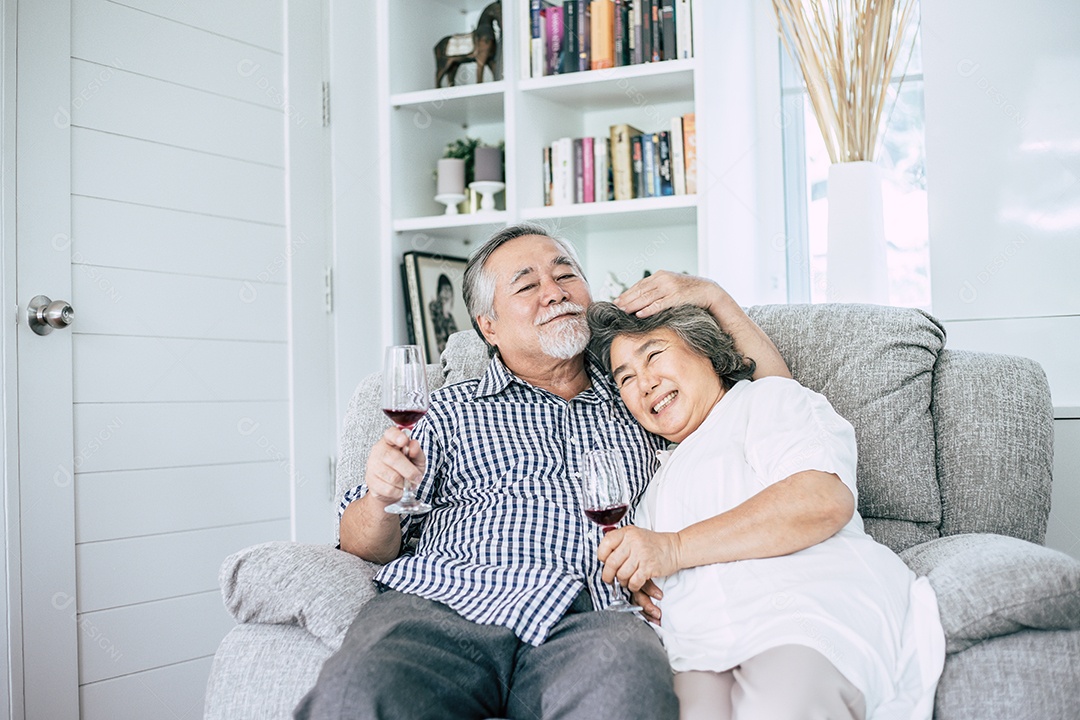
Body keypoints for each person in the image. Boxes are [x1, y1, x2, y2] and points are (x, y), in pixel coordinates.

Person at [295, 223, 792, 720]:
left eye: (566, 275)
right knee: (356, 697)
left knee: (625, 697)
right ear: (488, 325)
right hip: (442, 603)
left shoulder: (639, 395)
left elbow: (774, 406)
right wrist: (381, 498)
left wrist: (714, 296)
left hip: (589, 616)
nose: (554, 293)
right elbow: (362, 545)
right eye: (528, 285)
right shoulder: (445, 411)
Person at [585, 301, 946, 720]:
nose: (644, 383)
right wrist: (637, 577)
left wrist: (675, 548)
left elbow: (822, 499)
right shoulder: (655, 480)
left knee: (776, 708)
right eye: (625, 378)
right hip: (699, 648)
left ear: (704, 349)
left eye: (654, 355)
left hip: (804, 616)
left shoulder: (767, 403)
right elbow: (651, 569)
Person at [428, 272, 459, 355]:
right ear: (439, 290)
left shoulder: (450, 317)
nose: (447, 293)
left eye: (449, 290)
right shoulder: (434, 308)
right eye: (444, 289)